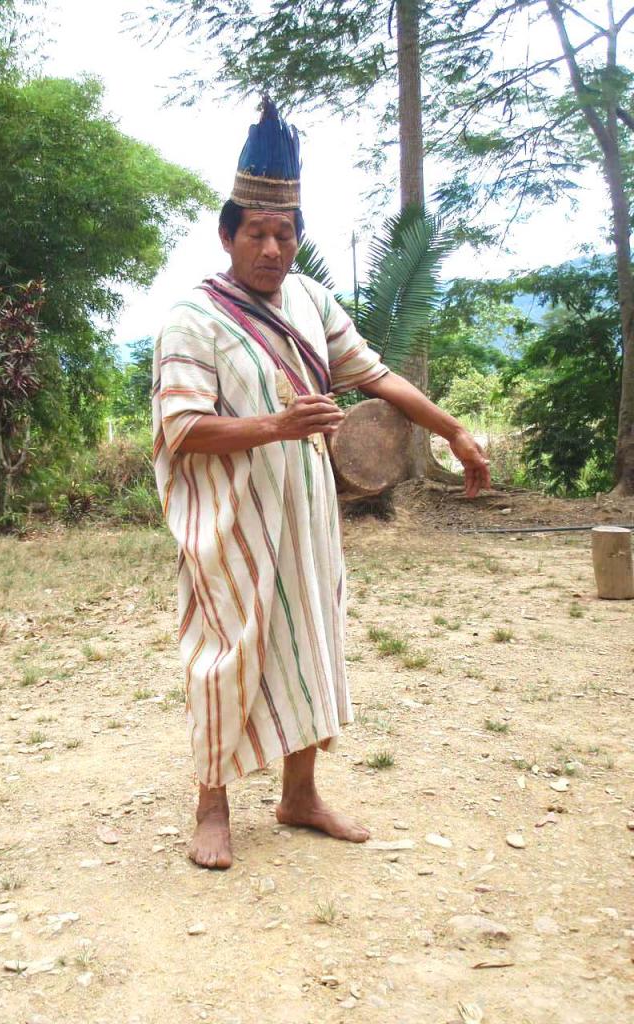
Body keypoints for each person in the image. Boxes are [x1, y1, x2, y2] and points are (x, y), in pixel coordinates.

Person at [152, 98, 490, 870]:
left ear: (298, 238)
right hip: (232, 523)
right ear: (227, 236)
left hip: (305, 516)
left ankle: (299, 794)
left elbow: (376, 375)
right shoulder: (191, 319)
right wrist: (277, 426)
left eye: (284, 234)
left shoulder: (310, 300)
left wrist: (453, 431)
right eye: (256, 234)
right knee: (227, 652)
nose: (271, 248)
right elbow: (183, 430)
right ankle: (212, 803)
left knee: (310, 644)